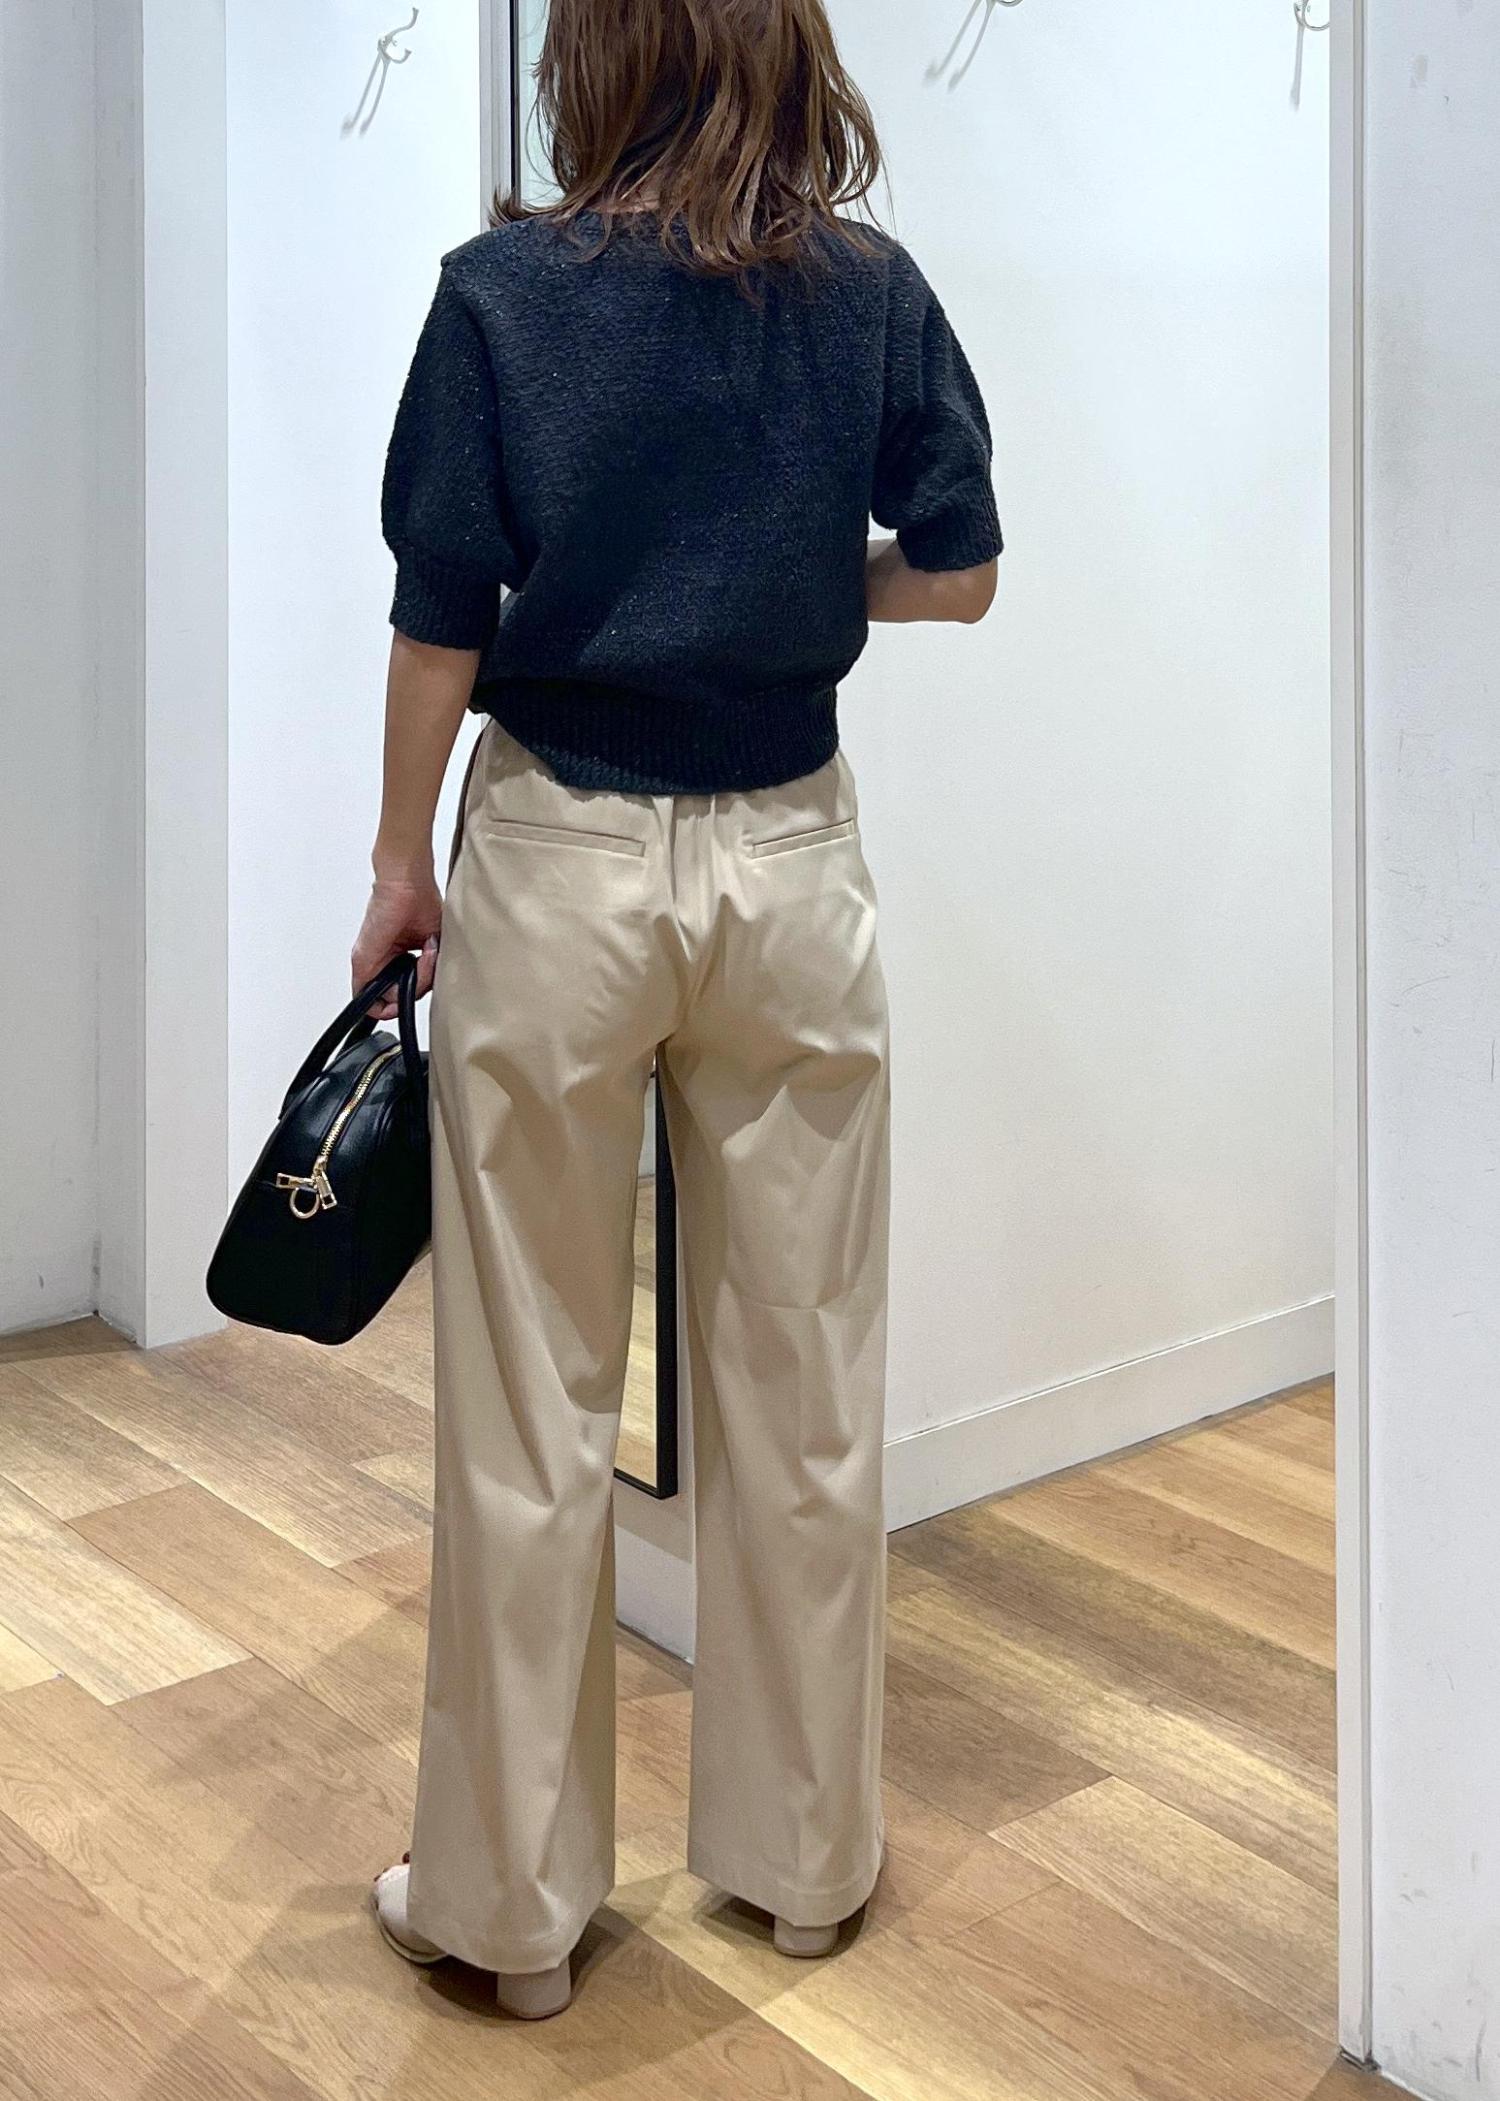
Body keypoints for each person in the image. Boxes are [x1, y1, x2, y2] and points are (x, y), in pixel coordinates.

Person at [355, 0, 1001, 2022]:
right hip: (792, 862)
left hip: (562, 852)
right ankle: (807, 1869)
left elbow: (441, 620)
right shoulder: (869, 294)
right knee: (804, 1376)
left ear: (599, 57)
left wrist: (397, 865)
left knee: (529, 1397)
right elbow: (964, 572)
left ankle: (509, 1913)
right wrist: (797, 581)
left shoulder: (503, 297)